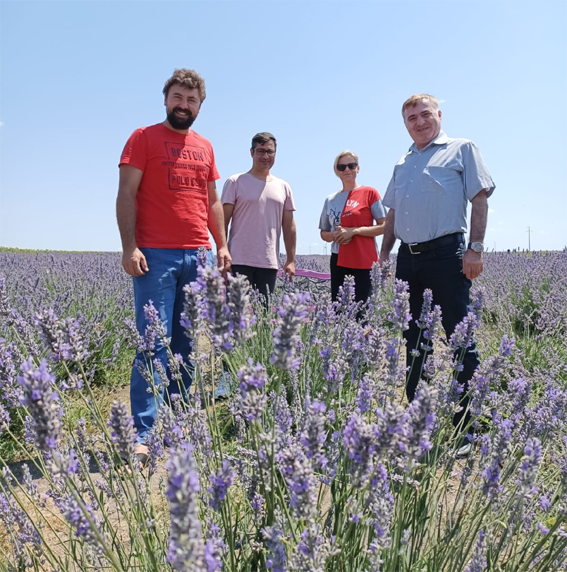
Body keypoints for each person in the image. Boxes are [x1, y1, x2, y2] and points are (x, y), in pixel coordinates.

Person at [116, 68, 231, 466]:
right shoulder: (142, 138)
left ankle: (180, 421)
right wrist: (129, 247)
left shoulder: (205, 146)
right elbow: (126, 193)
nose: (184, 105)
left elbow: (212, 201)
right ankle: (143, 434)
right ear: (166, 99)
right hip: (155, 253)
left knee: (184, 344)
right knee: (153, 342)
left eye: (192, 100)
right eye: (178, 97)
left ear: (200, 105)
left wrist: (222, 245)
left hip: (197, 253)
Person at [379, 94, 495, 457]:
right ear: (405, 123)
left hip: (448, 254)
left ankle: (469, 427)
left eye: (425, 114)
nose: (419, 121)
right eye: (411, 117)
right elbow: (393, 215)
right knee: (414, 339)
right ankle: (420, 420)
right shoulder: (403, 163)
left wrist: (475, 247)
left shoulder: (462, 149)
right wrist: (384, 253)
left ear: (439, 115)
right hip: (407, 259)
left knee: (460, 338)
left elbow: (479, 199)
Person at [221, 132, 296, 299]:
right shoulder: (235, 182)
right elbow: (222, 221)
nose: (265, 156)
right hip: (238, 261)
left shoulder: (283, 187)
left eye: (270, 151)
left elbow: (289, 225)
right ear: (252, 152)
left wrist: (291, 259)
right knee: (236, 317)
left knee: (263, 318)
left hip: (269, 262)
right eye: (261, 151)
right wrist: (223, 254)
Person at [319, 150, 386, 303]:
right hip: (339, 259)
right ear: (337, 171)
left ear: (358, 168)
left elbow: (385, 226)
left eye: (351, 165)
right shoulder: (330, 200)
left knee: (363, 310)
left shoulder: (370, 193)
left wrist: (354, 231)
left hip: (364, 258)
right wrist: (336, 235)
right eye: (342, 167)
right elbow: (324, 233)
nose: (347, 170)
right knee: (339, 310)